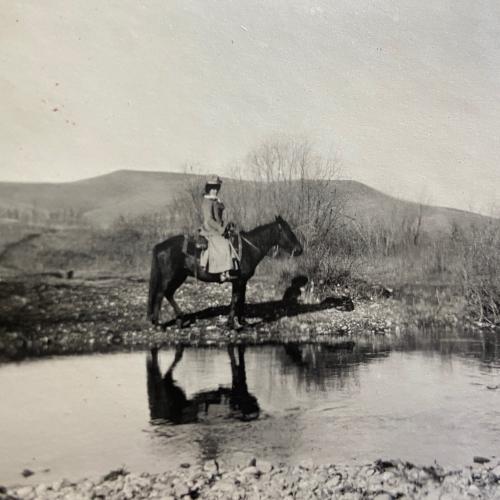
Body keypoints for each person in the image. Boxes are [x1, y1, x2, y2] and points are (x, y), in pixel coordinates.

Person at [199, 175, 236, 281]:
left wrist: (227, 225)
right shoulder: (207, 202)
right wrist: (221, 229)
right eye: (213, 188)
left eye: (216, 188)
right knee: (223, 242)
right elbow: (209, 220)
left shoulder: (216, 201)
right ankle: (222, 273)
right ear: (209, 189)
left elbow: (219, 218)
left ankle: (233, 266)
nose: (215, 190)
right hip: (209, 229)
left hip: (218, 228)